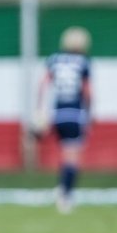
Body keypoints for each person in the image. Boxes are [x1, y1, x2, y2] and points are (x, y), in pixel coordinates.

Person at [33, 26, 93, 214]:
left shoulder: (54, 60)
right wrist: (89, 113)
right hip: (74, 113)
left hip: (56, 114)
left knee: (65, 155)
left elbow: (43, 84)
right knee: (72, 157)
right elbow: (87, 91)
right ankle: (65, 195)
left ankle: (62, 188)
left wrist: (40, 108)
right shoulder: (83, 62)